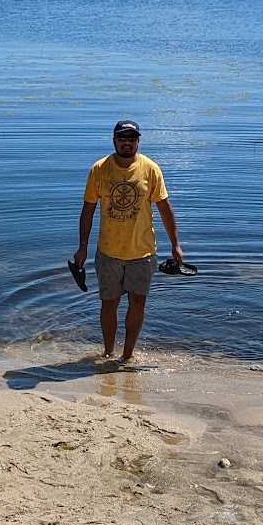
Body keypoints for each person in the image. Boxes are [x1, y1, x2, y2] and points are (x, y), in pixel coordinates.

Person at [71, 119, 184, 363]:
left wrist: (175, 244)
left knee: (137, 303)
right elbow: (88, 210)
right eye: (122, 138)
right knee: (108, 305)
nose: (127, 143)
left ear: (138, 141)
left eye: (132, 138)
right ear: (114, 140)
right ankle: (108, 352)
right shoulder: (99, 169)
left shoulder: (150, 169)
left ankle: (127, 356)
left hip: (142, 252)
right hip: (109, 251)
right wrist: (82, 247)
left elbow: (165, 208)